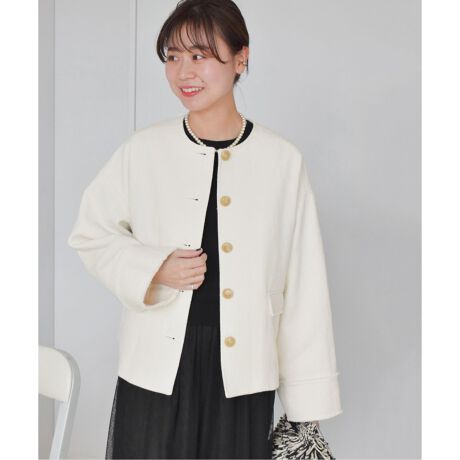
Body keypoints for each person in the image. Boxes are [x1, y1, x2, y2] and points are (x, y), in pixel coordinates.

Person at [67, 0, 343, 458]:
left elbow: (304, 284)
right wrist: (155, 267)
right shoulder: (144, 150)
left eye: (199, 55)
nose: (183, 72)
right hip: (155, 371)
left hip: (243, 376)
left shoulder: (282, 161)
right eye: (173, 56)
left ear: (240, 58)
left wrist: (306, 405)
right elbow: (90, 234)